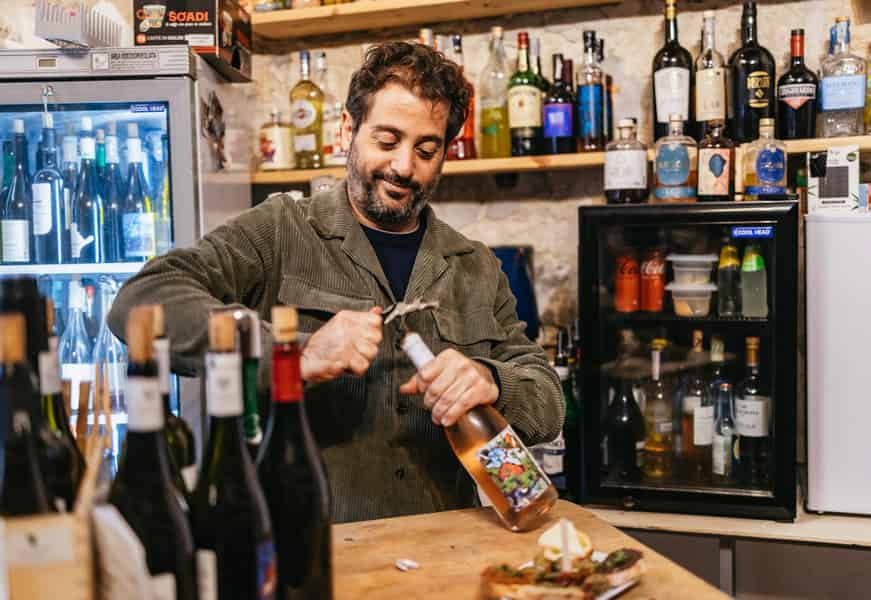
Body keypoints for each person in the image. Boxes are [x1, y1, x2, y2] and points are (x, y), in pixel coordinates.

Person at [108, 41, 564, 523]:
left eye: (425, 150)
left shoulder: (475, 265)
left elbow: (548, 400)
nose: (404, 167)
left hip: (441, 552)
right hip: (307, 554)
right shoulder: (279, 230)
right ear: (348, 129)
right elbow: (141, 302)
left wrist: (492, 381)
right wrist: (294, 354)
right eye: (387, 141)